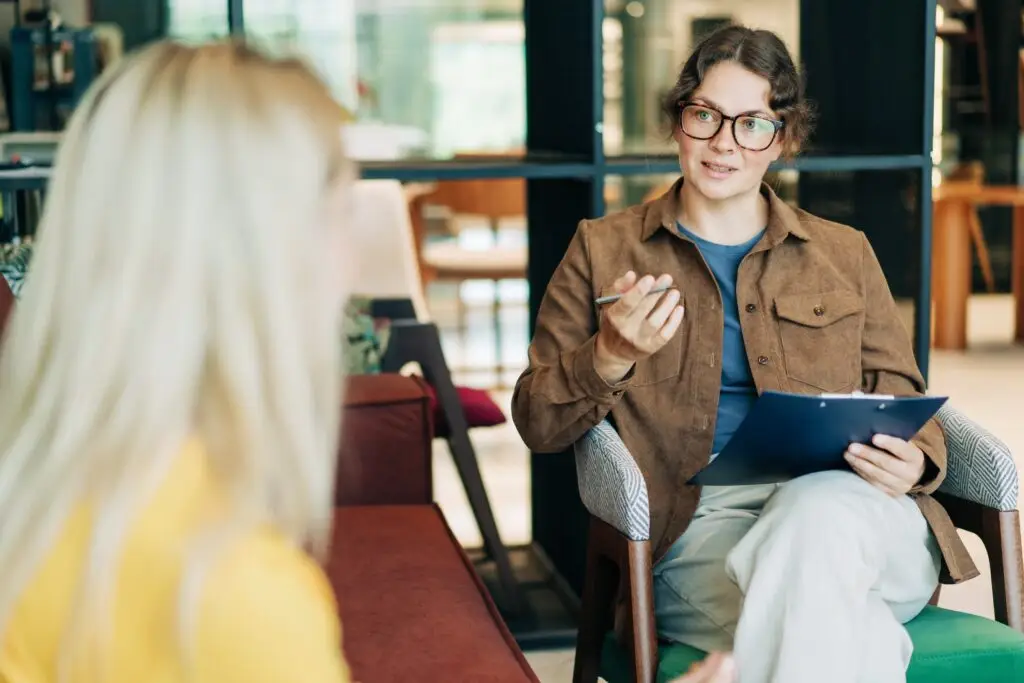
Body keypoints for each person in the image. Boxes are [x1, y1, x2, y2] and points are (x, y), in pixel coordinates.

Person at [512, 25, 977, 683]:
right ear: (679, 122)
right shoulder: (603, 251)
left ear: (783, 138)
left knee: (814, 513)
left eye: (752, 123)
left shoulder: (844, 251)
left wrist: (915, 458)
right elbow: (537, 420)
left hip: (863, 514)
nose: (724, 142)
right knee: (840, 625)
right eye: (705, 115)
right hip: (699, 533)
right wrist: (610, 353)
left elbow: (905, 396)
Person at [0, 40, 354, 682]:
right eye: (337, 219)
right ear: (270, 258)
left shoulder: (34, 502)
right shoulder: (237, 597)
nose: (348, 264)